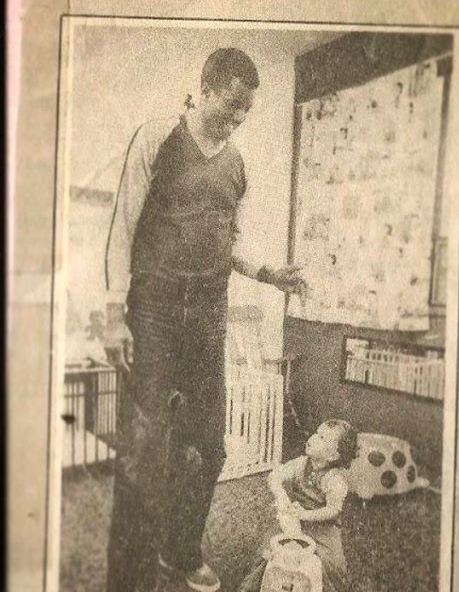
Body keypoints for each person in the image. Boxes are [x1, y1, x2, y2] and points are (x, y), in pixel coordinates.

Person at [104, 47, 307, 592]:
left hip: (207, 318)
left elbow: (229, 245)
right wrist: (110, 314)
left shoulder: (237, 165)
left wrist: (269, 274)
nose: (238, 119)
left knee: (208, 447)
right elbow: (121, 229)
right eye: (232, 105)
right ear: (208, 87)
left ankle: (179, 551)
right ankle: (126, 580)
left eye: (247, 112)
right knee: (143, 451)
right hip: (153, 313)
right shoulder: (157, 136)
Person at [240, 419, 358, 592]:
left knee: (327, 563)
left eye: (322, 438)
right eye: (317, 433)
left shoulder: (335, 480)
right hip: (294, 520)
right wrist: (281, 496)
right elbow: (275, 476)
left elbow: (333, 510)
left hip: (322, 530)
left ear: (333, 455)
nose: (312, 438)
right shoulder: (301, 464)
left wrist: (305, 515)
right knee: (270, 549)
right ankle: (259, 585)